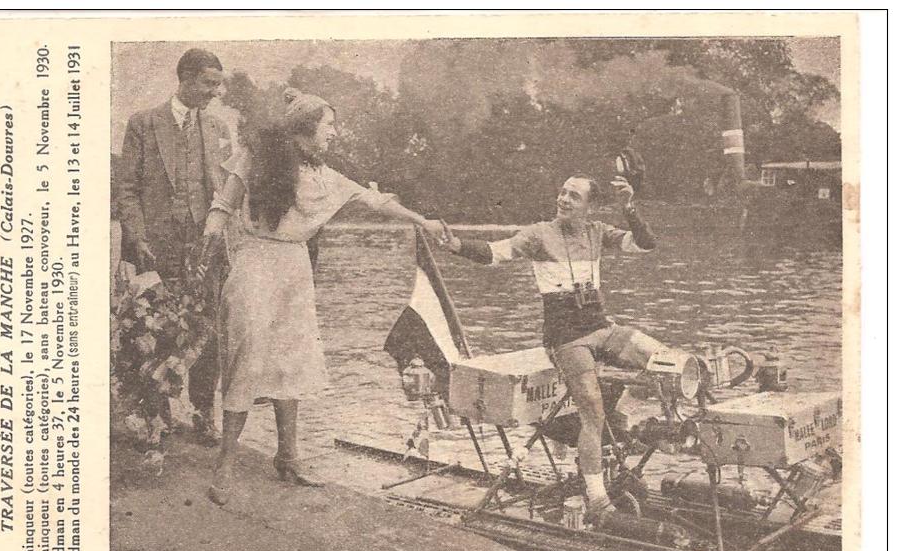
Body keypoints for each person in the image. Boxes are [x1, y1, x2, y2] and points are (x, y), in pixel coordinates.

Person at [203, 88, 447, 505]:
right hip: (255, 264)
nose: (334, 133)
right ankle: (225, 465)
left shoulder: (323, 175)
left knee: (292, 361)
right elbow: (223, 205)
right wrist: (208, 240)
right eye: (328, 125)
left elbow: (376, 201)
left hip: (295, 268)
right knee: (248, 358)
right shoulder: (255, 157)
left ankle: (289, 456)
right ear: (305, 130)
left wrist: (423, 221)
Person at [439, 174, 677, 516]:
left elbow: (646, 244)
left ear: (589, 207)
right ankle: (597, 498)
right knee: (592, 411)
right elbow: (495, 253)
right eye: (563, 192)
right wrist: (458, 246)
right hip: (566, 337)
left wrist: (629, 208)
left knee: (669, 362)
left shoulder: (597, 231)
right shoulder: (539, 234)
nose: (564, 199)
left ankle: (628, 420)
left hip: (600, 327)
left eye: (574, 196)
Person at [114, 48, 234, 445]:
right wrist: (138, 237)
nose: (214, 92)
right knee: (156, 331)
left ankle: (203, 412)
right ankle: (157, 417)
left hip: (204, 248)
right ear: (183, 79)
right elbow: (127, 189)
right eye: (207, 84)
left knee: (209, 332)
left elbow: (227, 192)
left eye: (218, 84)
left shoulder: (217, 128)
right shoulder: (144, 124)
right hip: (156, 248)